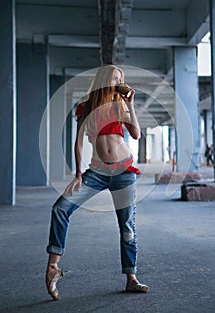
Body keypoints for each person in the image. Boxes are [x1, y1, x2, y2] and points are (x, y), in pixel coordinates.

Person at [45, 65, 149, 300]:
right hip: (97, 171)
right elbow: (79, 142)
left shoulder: (120, 106)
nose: (117, 81)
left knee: (127, 227)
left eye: (120, 78)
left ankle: (131, 277)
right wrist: (79, 173)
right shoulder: (86, 107)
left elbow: (136, 134)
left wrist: (130, 104)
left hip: (124, 171)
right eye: (114, 77)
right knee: (60, 208)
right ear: (104, 79)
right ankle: (53, 267)